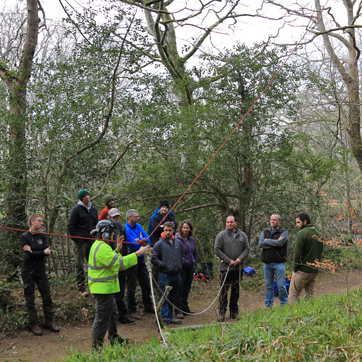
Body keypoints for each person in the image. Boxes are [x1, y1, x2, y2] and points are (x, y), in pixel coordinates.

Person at [88, 220, 150, 351]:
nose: (113, 235)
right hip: (103, 289)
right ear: (105, 234)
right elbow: (118, 264)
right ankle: (96, 347)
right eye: (111, 233)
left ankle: (114, 339)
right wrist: (138, 253)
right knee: (101, 319)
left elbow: (110, 261)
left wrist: (117, 249)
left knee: (113, 314)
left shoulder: (102, 246)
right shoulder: (102, 247)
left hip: (108, 288)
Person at [20, 213, 60, 336]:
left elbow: (48, 252)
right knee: (30, 297)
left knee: (47, 295)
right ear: (32, 221)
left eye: (42, 221)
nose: (41, 223)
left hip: (41, 269)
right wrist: (42, 252)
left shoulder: (42, 236)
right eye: (39, 221)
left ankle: (48, 321)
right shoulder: (24, 236)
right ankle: (34, 323)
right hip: (28, 269)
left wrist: (37, 252)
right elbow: (28, 255)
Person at [214, 215, 250, 322]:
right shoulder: (221, 235)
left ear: (235, 223)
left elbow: (247, 249)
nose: (230, 224)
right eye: (228, 222)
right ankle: (221, 312)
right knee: (223, 291)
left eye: (232, 222)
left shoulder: (242, 235)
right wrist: (228, 260)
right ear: (226, 223)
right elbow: (217, 250)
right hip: (225, 268)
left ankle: (234, 312)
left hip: (237, 269)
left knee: (235, 290)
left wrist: (240, 258)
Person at [151, 221, 185, 325]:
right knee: (164, 297)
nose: (168, 232)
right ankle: (164, 318)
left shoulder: (178, 243)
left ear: (173, 231)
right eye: (166, 230)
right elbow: (154, 258)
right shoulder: (159, 244)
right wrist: (164, 265)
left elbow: (183, 255)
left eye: (170, 230)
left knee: (172, 297)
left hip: (176, 274)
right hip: (164, 275)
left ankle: (170, 316)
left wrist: (180, 263)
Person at [107, 208, 136, 325]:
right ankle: (115, 315)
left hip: (120, 260)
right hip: (110, 264)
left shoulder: (122, 228)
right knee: (112, 293)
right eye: (114, 217)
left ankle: (122, 315)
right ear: (109, 218)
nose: (116, 219)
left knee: (120, 290)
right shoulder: (105, 230)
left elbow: (124, 247)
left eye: (117, 217)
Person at [67, 189, 98, 296]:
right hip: (79, 242)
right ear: (81, 198)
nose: (87, 197)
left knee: (93, 265)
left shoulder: (93, 209)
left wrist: (95, 237)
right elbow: (70, 226)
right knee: (79, 265)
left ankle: (93, 287)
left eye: (88, 195)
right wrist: (76, 239)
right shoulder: (76, 210)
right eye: (85, 196)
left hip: (91, 241)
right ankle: (81, 289)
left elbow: (96, 225)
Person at [125, 209, 154, 319]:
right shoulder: (126, 229)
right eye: (136, 217)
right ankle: (132, 309)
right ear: (129, 217)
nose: (138, 218)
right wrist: (141, 241)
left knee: (145, 283)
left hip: (141, 259)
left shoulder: (139, 226)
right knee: (132, 285)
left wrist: (139, 239)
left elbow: (148, 237)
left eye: (138, 216)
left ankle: (148, 305)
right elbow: (133, 245)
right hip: (132, 259)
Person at [289, 212, 323, 303]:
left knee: (293, 293)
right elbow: (320, 251)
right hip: (314, 270)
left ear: (305, 221)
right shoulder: (318, 233)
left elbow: (297, 253)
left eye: (298, 222)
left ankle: (294, 315)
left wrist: (295, 268)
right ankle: (310, 314)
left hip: (303, 270)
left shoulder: (302, 233)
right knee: (310, 294)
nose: (297, 225)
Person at [259, 213, 288, 308]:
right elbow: (261, 244)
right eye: (271, 219)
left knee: (281, 286)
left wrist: (267, 241)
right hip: (267, 263)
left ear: (279, 221)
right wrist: (273, 243)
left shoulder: (284, 232)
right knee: (268, 286)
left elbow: (280, 243)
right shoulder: (265, 231)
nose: (272, 221)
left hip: (279, 263)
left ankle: (284, 304)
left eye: (275, 220)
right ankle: (268, 305)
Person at [174, 220, 197, 319]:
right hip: (181, 268)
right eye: (184, 228)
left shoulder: (191, 240)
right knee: (179, 289)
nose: (185, 230)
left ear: (190, 229)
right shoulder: (177, 239)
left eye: (187, 228)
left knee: (186, 289)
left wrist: (195, 263)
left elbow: (194, 252)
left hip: (190, 268)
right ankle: (178, 309)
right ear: (181, 228)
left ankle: (184, 307)